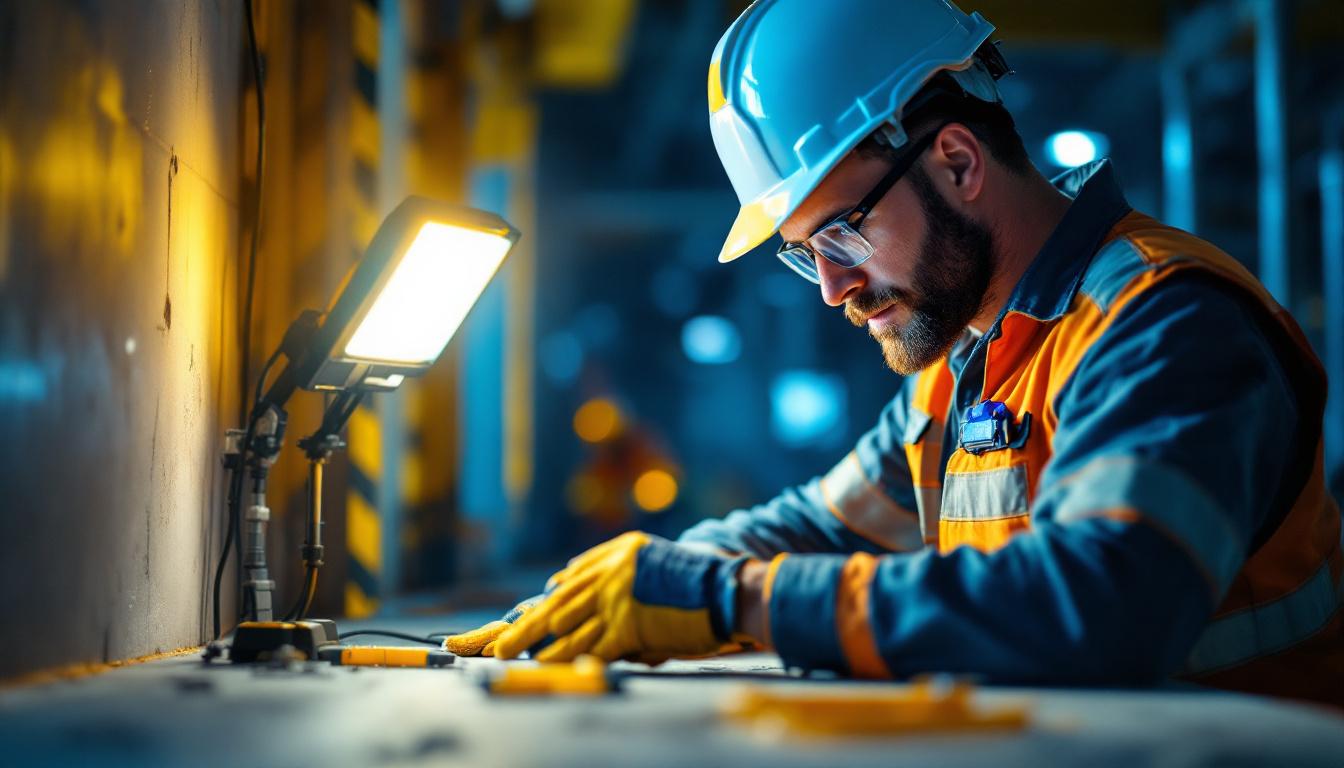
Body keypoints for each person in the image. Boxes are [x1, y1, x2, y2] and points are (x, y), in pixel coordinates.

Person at [445, 0, 1343, 706]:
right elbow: (814, 525)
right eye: (807, 255)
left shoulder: (1162, 324)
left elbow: (1098, 609)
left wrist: (728, 602)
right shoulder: (971, 363)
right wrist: (627, 582)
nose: (833, 288)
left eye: (841, 234)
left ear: (956, 161)